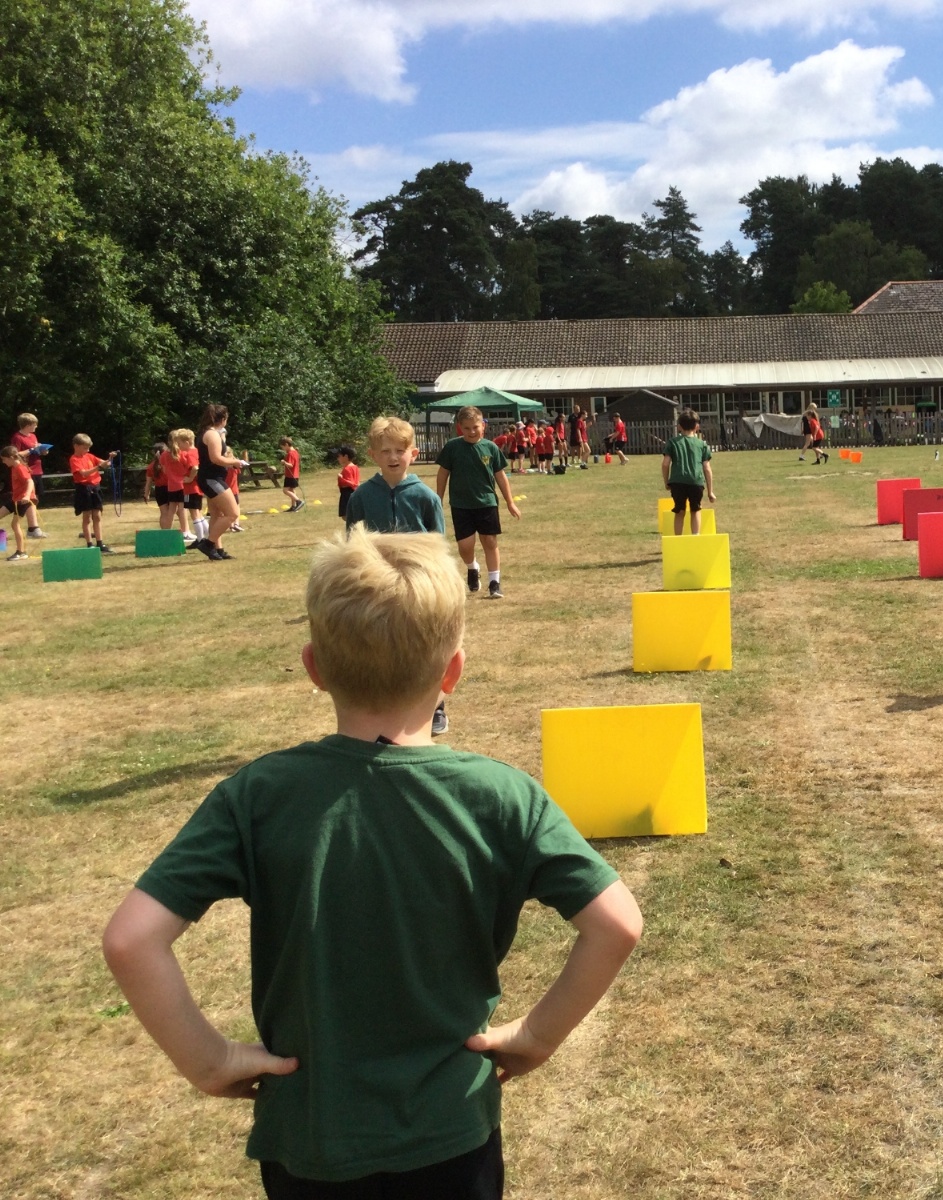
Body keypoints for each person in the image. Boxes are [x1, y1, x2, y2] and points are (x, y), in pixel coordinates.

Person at [101, 527, 642, 1199]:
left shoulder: (257, 796)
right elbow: (617, 924)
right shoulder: (505, 797)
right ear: (453, 671)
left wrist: (208, 1060)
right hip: (452, 1134)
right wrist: (537, 1035)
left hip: (311, 1137)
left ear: (314, 667)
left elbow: (131, 939)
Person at [344, 417, 451, 737]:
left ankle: (434, 707)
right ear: (373, 455)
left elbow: (439, 546)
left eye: (400, 450)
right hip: (376, 588)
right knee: (380, 647)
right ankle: (381, 709)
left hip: (419, 588)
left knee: (425, 647)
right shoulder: (361, 497)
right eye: (385, 451)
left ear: (413, 453)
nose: (393, 457)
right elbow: (352, 544)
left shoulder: (426, 498)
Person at [435, 405, 521, 600]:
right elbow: (442, 474)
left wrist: (510, 502)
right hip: (461, 504)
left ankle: (494, 583)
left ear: (483, 426)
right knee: (465, 546)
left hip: (487, 502)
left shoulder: (491, 448)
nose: (472, 431)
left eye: (475, 427)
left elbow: (500, 477)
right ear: (460, 427)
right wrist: (438, 499)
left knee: (490, 541)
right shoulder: (452, 448)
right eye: (467, 428)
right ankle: (472, 567)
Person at [194, 404, 248, 561]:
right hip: (212, 479)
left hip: (211, 477)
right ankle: (208, 544)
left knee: (217, 515)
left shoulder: (209, 433)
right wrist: (235, 462)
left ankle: (218, 550)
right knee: (233, 513)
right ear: (223, 419)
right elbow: (216, 458)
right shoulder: (212, 435)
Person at [662, 408, 716, 536]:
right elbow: (707, 468)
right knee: (695, 510)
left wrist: (667, 482)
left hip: (677, 481)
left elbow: (665, 464)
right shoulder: (702, 444)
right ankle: (695, 537)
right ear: (697, 427)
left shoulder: (672, 443)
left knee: (679, 511)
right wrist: (710, 491)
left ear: (679, 427)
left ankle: (678, 539)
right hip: (696, 481)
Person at [68, 433, 118, 553]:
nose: (87, 450)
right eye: (85, 448)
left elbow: (105, 464)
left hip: (95, 487)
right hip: (83, 488)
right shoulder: (74, 459)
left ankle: (100, 543)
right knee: (87, 517)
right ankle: (89, 543)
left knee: (97, 515)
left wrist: (110, 458)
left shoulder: (90, 456)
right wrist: (98, 467)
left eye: (88, 448)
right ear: (76, 446)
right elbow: (84, 473)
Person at [10, 412, 47, 539]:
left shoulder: (33, 436)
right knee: (30, 498)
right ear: (27, 425)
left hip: (37, 470)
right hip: (26, 470)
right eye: (34, 424)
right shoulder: (17, 437)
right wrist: (31, 450)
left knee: (35, 498)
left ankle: (33, 528)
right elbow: (15, 455)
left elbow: (36, 451)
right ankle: (33, 528)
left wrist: (42, 450)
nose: (36, 426)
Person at [2, 443, 37, 561]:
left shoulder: (20, 468)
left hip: (23, 501)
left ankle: (21, 552)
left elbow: (30, 482)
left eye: (4, 459)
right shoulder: (14, 466)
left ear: (11, 458)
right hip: (15, 499)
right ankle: (3, 543)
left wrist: (27, 495)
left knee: (14, 524)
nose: (3, 462)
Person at [334, 446, 360, 519]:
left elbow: (351, 483)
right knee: (348, 515)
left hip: (348, 493)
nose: (338, 458)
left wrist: (341, 478)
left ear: (345, 456)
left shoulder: (347, 469)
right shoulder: (355, 467)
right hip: (353, 492)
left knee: (347, 516)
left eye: (339, 456)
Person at [279, 438, 304, 512]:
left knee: (285, 490)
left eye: (283, 447)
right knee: (291, 490)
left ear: (286, 445)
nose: (283, 449)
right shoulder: (295, 452)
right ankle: (293, 506)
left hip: (291, 475)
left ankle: (298, 501)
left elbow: (291, 465)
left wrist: (284, 462)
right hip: (295, 475)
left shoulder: (291, 453)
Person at [143, 442, 166, 509]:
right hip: (172, 488)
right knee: (177, 511)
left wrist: (146, 494)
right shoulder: (169, 464)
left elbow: (148, 482)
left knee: (164, 512)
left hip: (160, 490)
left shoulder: (151, 466)